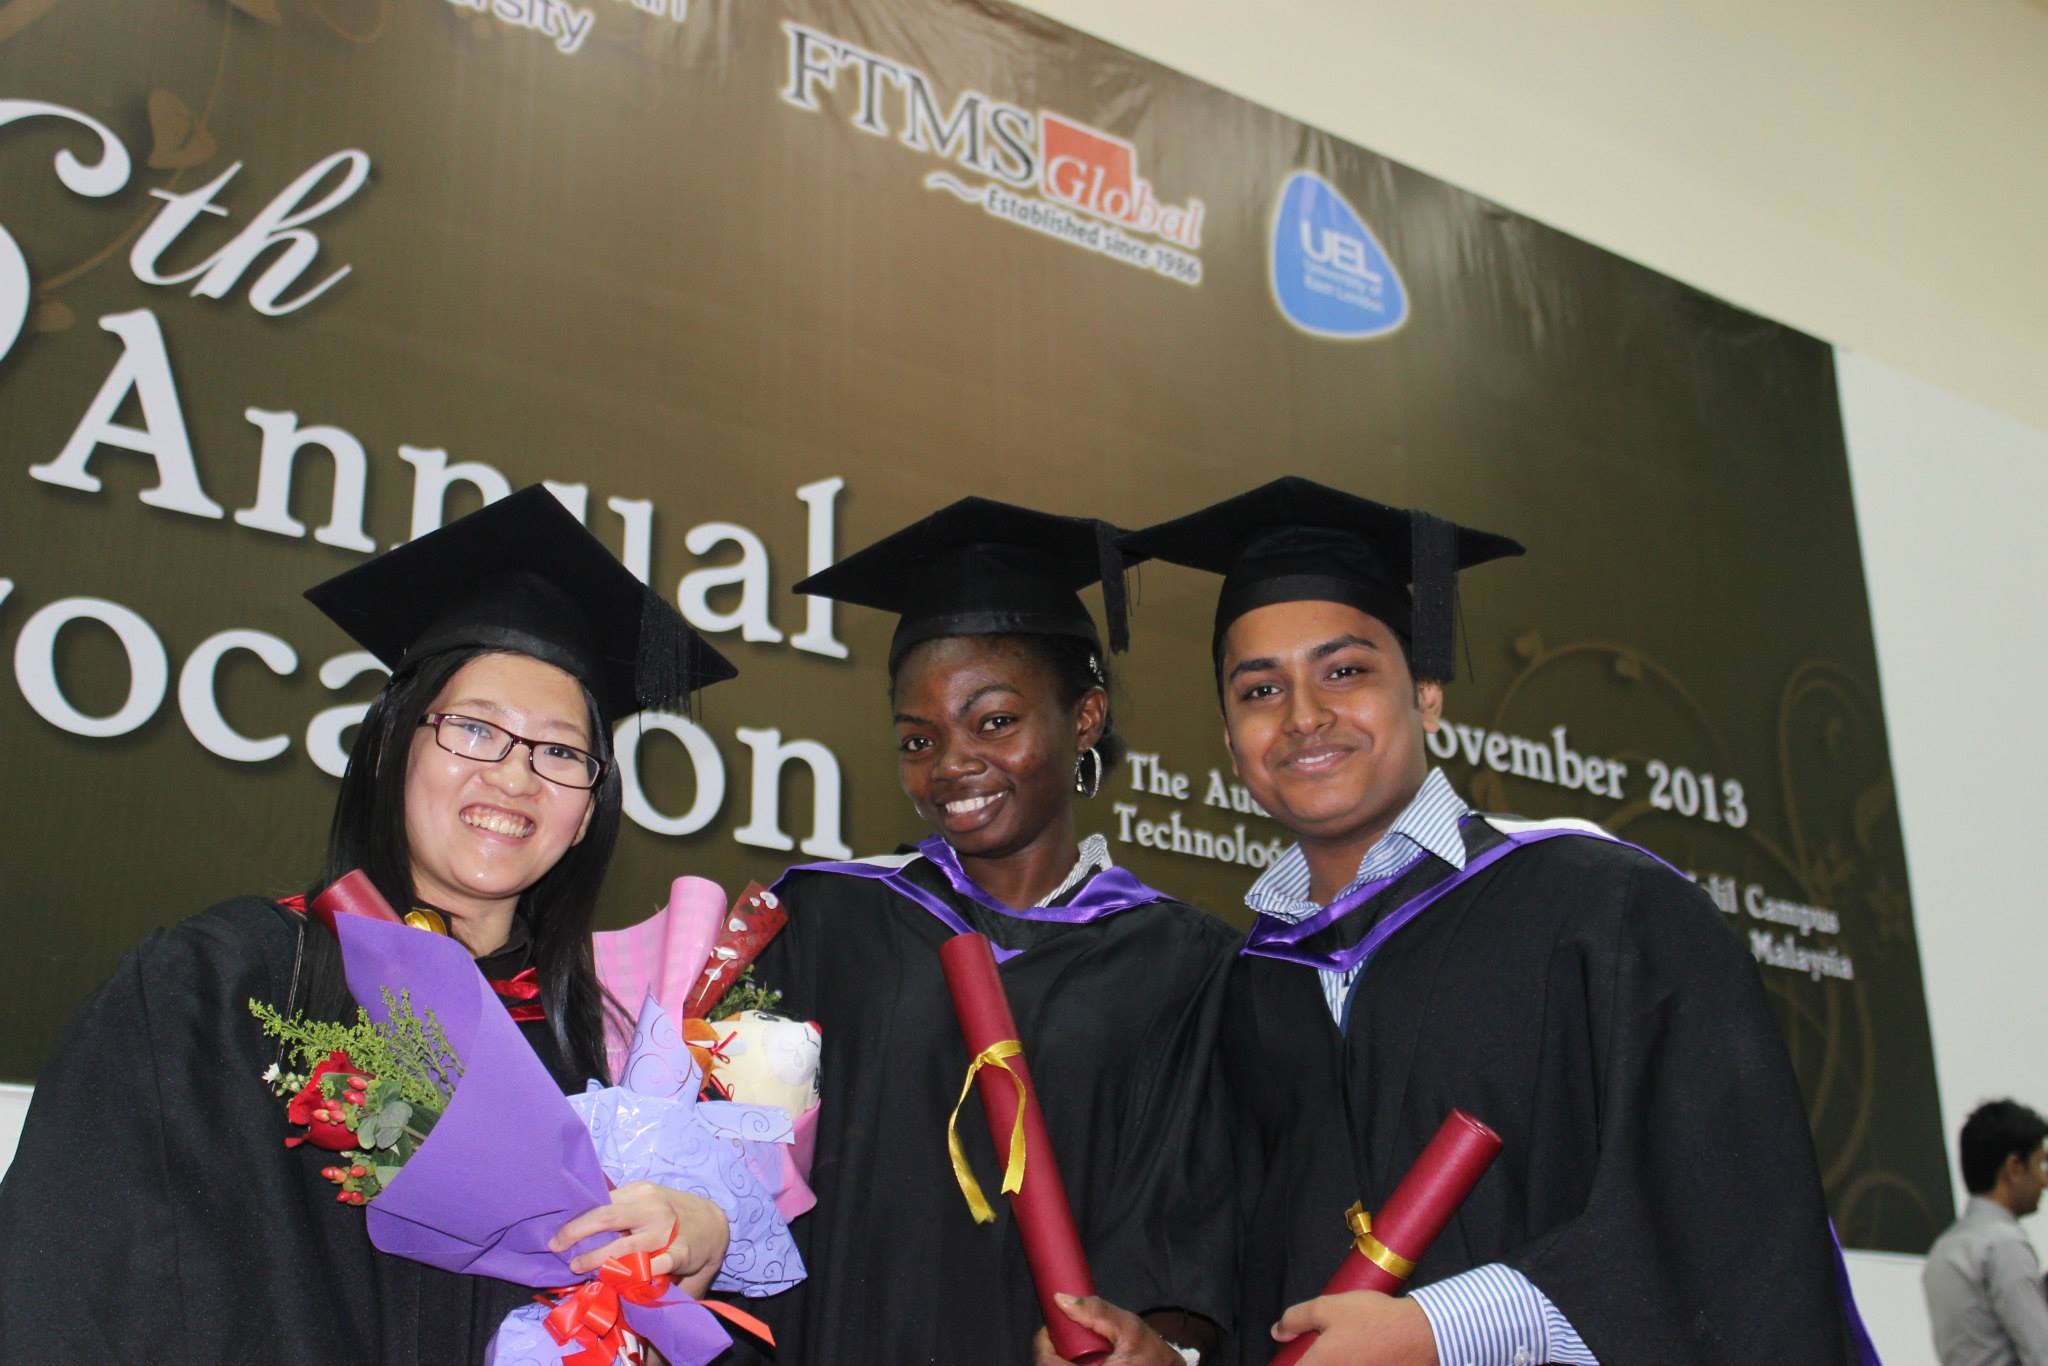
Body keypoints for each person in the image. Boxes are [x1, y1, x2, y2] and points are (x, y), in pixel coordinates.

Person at [1039, 476, 1869, 1365]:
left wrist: (1443, 1328)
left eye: (1345, 671)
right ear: (1228, 736)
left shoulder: (1605, 911)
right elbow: (1240, 1282)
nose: (1305, 716)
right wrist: (1165, 1356)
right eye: (1260, 690)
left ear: (1427, 693)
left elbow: (1729, 1218)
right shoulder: (1248, 990)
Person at [0, 487, 744, 1364]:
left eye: (559, 751)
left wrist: (684, 1262)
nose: (515, 778)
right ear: (392, 746)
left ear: (587, 812)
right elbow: (87, 1284)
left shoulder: (612, 1057)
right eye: (474, 730)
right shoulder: (225, 986)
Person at [738, 497, 1237, 1366]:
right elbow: (748, 1190)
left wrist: (1159, 1341)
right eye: (917, 740)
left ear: (1085, 717)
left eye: (994, 722)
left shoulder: (1185, 961)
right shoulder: (829, 920)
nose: (952, 765)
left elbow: (1189, 1220)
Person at [1923, 1099, 2048, 1365]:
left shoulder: (1943, 1249)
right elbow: (2041, 1352)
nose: (2044, 1180)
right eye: (2041, 1164)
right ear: (2014, 1168)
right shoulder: (2003, 1244)